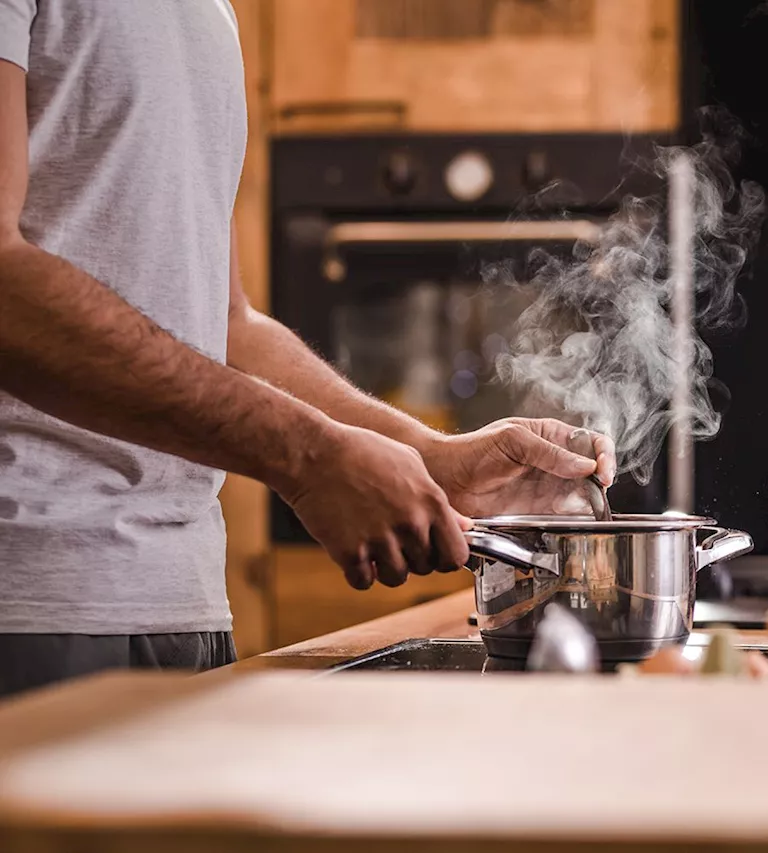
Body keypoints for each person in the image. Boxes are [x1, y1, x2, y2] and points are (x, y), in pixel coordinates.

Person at [0, 1, 614, 698]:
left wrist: (433, 459)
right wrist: (307, 453)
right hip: (27, 604)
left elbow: (222, 324)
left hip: (183, 608)